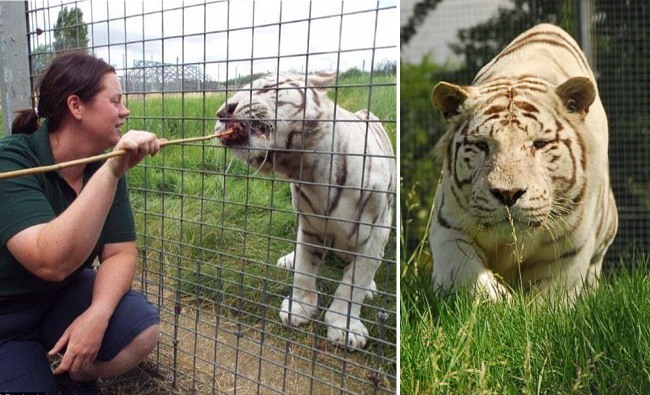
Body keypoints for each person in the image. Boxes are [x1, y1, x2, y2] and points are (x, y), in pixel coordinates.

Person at [0, 52, 162, 394]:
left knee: (141, 327)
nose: (125, 112)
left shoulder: (103, 168)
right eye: (115, 101)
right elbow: (50, 261)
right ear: (76, 106)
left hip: (60, 300)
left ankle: (76, 375)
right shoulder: (12, 159)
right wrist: (112, 171)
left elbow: (120, 253)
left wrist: (98, 315)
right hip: (7, 319)